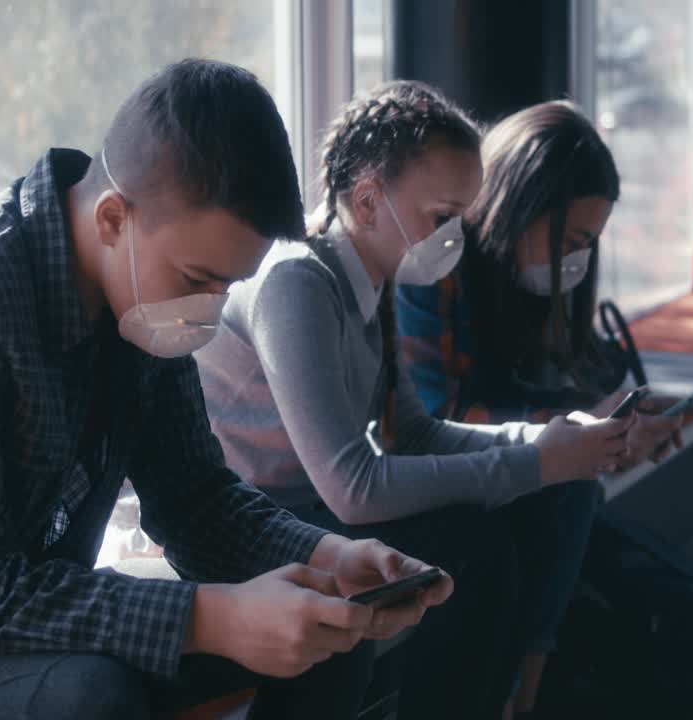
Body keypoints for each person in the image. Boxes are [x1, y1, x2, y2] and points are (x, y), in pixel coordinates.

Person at [0, 60, 449, 720]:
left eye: (229, 287)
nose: (211, 307)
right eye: (201, 280)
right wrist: (212, 618)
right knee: (86, 695)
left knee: (321, 634)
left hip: (24, 613)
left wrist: (326, 557)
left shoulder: (145, 302)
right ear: (113, 218)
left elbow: (196, 499)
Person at [194, 81, 634, 719]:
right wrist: (537, 461)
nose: (457, 236)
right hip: (252, 521)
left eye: (462, 215)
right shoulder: (298, 281)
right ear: (368, 200)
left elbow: (417, 432)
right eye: (442, 216)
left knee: (532, 514)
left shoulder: (373, 280)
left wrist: (544, 444)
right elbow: (351, 484)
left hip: (306, 509)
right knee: (472, 550)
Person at [394, 100, 686, 715]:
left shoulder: (514, 275)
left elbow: (529, 391)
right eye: (573, 240)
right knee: (561, 492)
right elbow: (434, 417)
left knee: (572, 486)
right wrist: (575, 435)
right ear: (523, 207)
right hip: (409, 462)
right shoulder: (433, 264)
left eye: (589, 244)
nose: (578, 261)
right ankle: (521, 692)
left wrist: (612, 424)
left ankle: (524, 688)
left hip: (469, 453)